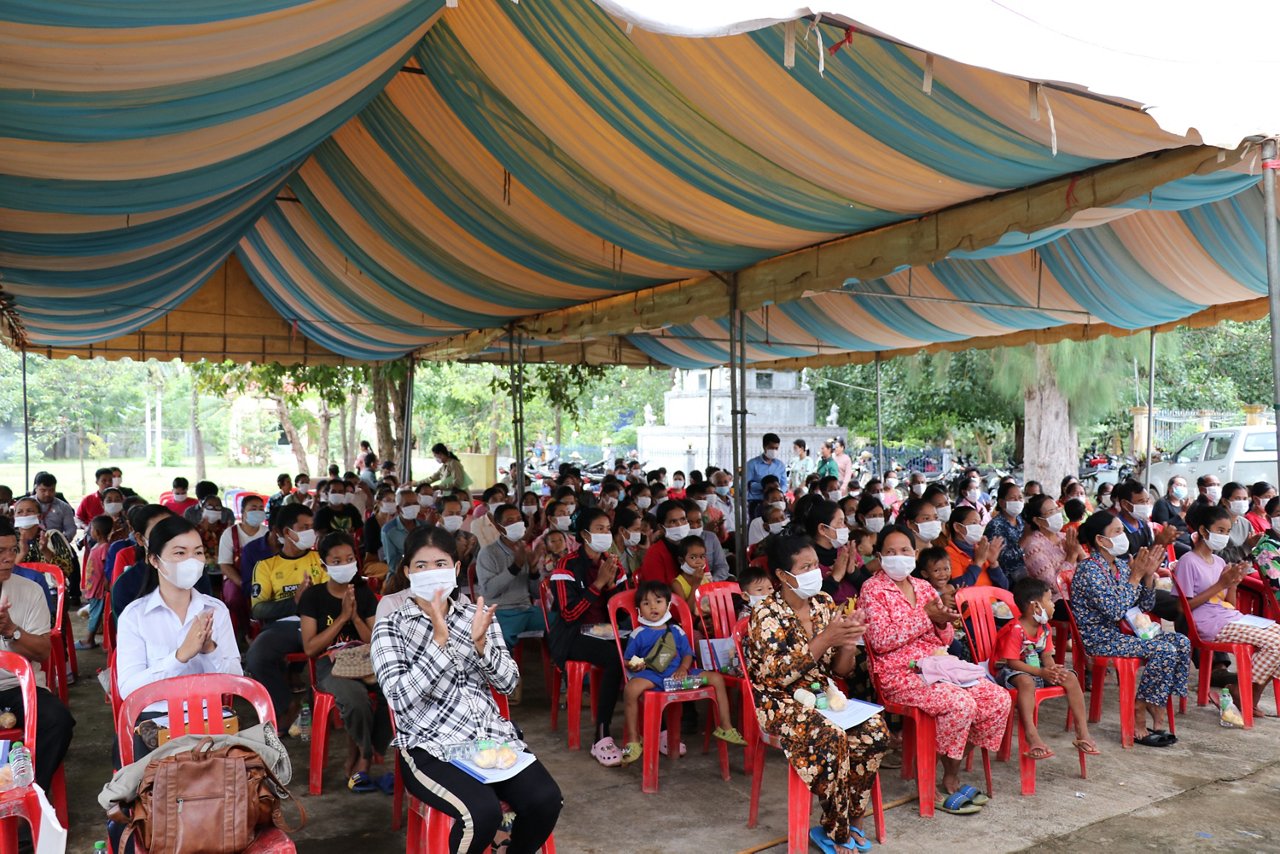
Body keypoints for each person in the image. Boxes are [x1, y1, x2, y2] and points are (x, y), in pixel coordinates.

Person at [371, 525, 562, 854]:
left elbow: (508, 682)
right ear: (407, 572)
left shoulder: (478, 616)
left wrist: (480, 644)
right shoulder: (392, 626)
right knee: (481, 814)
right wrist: (440, 645)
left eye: (441, 564)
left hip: (489, 741)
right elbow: (399, 699)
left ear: (457, 569)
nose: (432, 573)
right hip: (429, 748)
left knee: (547, 800)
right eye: (421, 566)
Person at [745, 535, 889, 851]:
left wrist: (849, 641)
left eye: (815, 564)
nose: (815, 572)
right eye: (805, 566)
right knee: (832, 736)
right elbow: (779, 676)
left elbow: (840, 670)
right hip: (778, 702)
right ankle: (836, 830)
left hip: (822, 693)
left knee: (875, 731)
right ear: (783, 576)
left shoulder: (823, 603)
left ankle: (852, 818)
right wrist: (826, 637)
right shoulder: (766, 613)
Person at [860, 525, 1010, 811]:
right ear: (879, 556)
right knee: (960, 704)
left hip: (940, 666)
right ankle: (930, 781)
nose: (898, 556)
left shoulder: (923, 586)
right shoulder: (872, 589)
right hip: (899, 673)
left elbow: (945, 638)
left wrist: (941, 621)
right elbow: (880, 641)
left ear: (915, 554)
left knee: (997, 699)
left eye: (904, 550)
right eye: (890, 552)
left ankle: (948, 771)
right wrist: (924, 615)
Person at [1069, 511, 1190, 746]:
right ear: (1100, 540)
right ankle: (1140, 708)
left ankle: (1156, 700)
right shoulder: (1089, 570)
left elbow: (1144, 605)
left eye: (1122, 531)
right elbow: (1114, 611)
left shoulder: (1121, 567)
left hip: (1126, 632)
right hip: (1100, 638)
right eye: (1116, 532)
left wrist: (1146, 578)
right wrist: (1135, 577)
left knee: (1181, 643)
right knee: (1164, 650)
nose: (1122, 536)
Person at [116, 516, 240, 735]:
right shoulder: (135, 616)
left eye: (198, 552)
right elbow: (128, 689)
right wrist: (180, 656)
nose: (191, 561)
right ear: (154, 560)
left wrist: (210, 650)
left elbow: (235, 681)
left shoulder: (215, 610)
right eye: (180, 553)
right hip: (155, 722)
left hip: (210, 718)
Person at [299, 531, 391, 793]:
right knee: (355, 698)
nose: (345, 565)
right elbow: (310, 648)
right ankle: (364, 755)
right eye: (337, 561)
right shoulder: (313, 597)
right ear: (324, 565)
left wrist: (356, 618)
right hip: (330, 663)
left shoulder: (364, 594)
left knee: (395, 689)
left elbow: (376, 640)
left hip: (365, 658)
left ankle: (371, 748)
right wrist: (341, 618)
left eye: (350, 559)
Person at [619, 581, 745, 765]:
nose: (653, 606)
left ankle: (725, 726)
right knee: (630, 689)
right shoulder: (638, 634)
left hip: (680, 674)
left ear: (668, 605)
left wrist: (683, 669)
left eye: (658, 601)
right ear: (639, 609)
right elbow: (627, 659)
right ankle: (633, 739)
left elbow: (687, 654)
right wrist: (634, 665)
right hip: (652, 675)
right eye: (646, 603)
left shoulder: (676, 630)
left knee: (717, 679)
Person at [1175, 504, 1280, 720]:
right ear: (1204, 531)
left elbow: (1229, 604)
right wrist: (1220, 583)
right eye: (1220, 531)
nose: (1224, 536)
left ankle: (1248, 691)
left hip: (1228, 617)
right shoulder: (1188, 561)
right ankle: (1243, 691)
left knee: (1278, 634)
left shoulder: (1220, 561)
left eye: (1227, 532)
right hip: (1206, 623)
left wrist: (1232, 584)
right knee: (1276, 643)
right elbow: (1182, 607)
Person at [0, 518, 76, 792]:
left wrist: (11, 631)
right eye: (0, 552)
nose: (9, 558)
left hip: (16, 688)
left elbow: (43, 650)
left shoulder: (29, 590)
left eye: (11, 550)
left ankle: (29, 795)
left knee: (58, 721)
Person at [547, 508, 627, 767]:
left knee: (643, 647)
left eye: (608, 528)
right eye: (599, 529)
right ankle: (601, 736)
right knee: (616, 657)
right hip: (572, 636)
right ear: (584, 534)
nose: (606, 534)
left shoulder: (612, 562)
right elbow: (568, 614)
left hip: (608, 632)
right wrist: (598, 585)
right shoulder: (566, 565)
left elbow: (626, 610)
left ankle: (654, 730)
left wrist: (613, 587)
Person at [994, 578, 1098, 758]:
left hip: (1038, 671)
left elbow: (1046, 655)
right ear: (1035, 607)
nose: (1053, 605)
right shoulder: (1015, 630)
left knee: (1070, 677)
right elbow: (1012, 662)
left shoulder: (1045, 628)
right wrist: (1041, 672)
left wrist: (1052, 670)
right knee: (1026, 682)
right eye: (1049, 600)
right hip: (1011, 673)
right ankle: (1031, 735)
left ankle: (1082, 733)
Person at [247, 503, 328, 725]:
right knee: (256, 658)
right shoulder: (266, 566)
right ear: (286, 532)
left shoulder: (320, 559)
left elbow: (333, 597)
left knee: (332, 656)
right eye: (303, 527)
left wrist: (310, 602)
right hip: (282, 628)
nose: (310, 532)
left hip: (319, 624)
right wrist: (294, 602)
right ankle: (286, 704)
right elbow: (259, 608)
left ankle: (322, 707)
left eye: (312, 526)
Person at [475, 505, 542, 668]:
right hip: (502, 612)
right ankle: (505, 683)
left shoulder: (524, 550)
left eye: (519, 519)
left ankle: (562, 675)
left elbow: (537, 594)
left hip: (527, 610)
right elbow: (489, 591)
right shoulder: (488, 553)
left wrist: (533, 571)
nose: (516, 524)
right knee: (499, 642)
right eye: (510, 521)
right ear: (499, 527)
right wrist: (515, 567)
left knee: (563, 624)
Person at [1019, 494, 1079, 620]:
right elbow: (1053, 586)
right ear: (1037, 520)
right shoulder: (1034, 547)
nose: (1057, 514)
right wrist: (1070, 558)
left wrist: (1080, 552)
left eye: (1057, 509)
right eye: (1051, 512)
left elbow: (1087, 567)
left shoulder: (1063, 537)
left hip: (1078, 592)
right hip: (1055, 601)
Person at [217, 493, 267, 640]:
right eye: (253, 508)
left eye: (260, 508)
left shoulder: (267, 533)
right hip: (236, 578)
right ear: (243, 512)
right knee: (235, 598)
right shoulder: (230, 533)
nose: (258, 511)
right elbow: (225, 565)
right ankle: (243, 631)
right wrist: (243, 584)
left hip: (264, 578)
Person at [914, 547, 967, 660]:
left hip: (956, 631)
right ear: (925, 573)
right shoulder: (926, 592)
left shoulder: (951, 588)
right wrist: (940, 601)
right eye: (937, 570)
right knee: (957, 648)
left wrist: (961, 604)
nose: (943, 574)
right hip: (938, 634)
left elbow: (956, 614)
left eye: (946, 569)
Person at [943, 507, 1007, 590]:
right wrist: (978, 563)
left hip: (992, 601)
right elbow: (957, 586)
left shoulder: (980, 548)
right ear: (957, 527)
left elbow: (1004, 586)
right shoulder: (949, 552)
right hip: (970, 602)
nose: (978, 527)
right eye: (973, 523)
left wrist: (993, 563)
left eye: (979, 523)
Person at [636, 500, 691, 586]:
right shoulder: (654, 554)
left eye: (683, 519)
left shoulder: (694, 546)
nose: (680, 525)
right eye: (673, 521)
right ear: (661, 527)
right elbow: (657, 592)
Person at [983, 481, 1026, 584]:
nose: (1018, 501)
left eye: (1020, 498)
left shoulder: (1022, 520)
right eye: (1013, 498)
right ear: (1002, 502)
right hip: (1008, 582)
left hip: (1026, 575)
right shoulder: (995, 526)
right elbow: (1004, 560)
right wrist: (1025, 539)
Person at [382, 488, 423, 575]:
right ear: (398, 509)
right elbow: (392, 564)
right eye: (407, 505)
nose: (412, 507)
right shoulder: (389, 531)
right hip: (400, 574)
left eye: (415, 504)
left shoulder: (425, 526)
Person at [685, 503, 730, 581]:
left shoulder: (710, 537)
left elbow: (722, 566)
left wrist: (713, 581)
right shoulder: (679, 541)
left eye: (698, 522)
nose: (695, 526)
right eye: (690, 523)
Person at [28, 472, 77, 541]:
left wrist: (62, 541)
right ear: (35, 488)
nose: (47, 494)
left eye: (51, 490)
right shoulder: (26, 504)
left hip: (55, 543)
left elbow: (70, 529)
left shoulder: (64, 507)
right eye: (43, 490)